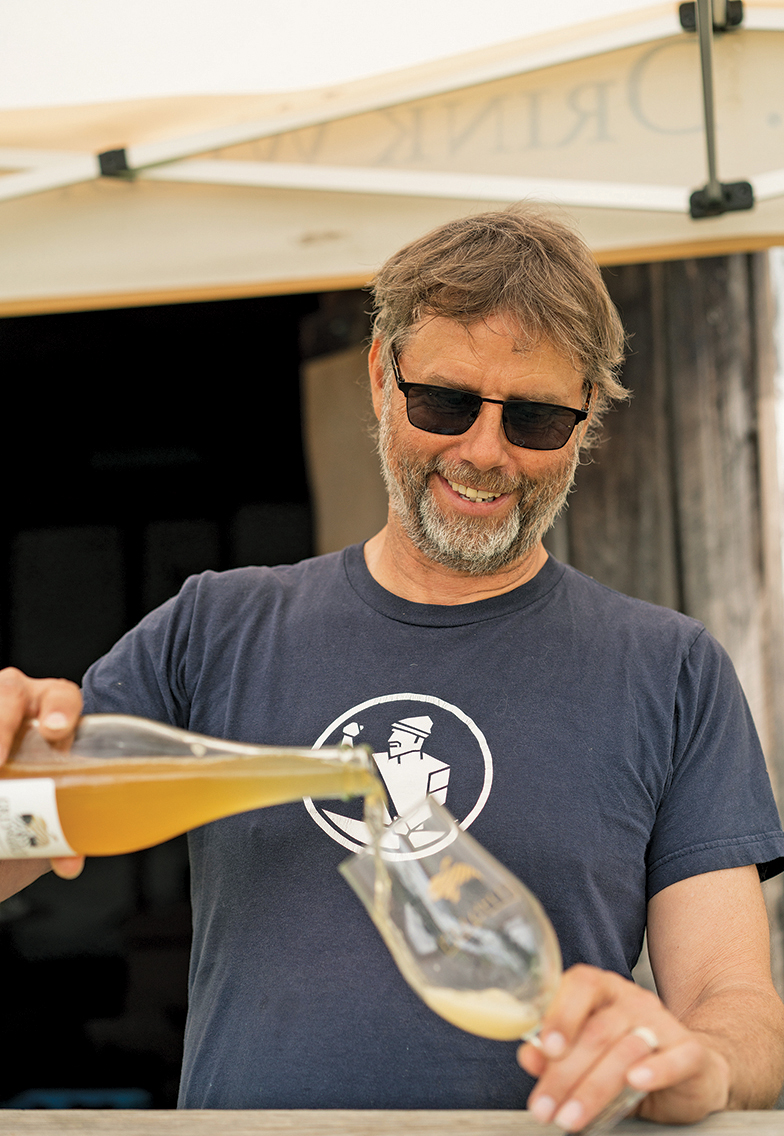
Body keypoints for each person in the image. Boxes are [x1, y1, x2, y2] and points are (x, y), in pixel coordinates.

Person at [1, 207, 783, 1129]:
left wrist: (699, 1061)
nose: (485, 453)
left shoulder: (670, 670)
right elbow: (24, 836)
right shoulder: (214, 627)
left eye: (534, 418)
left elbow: (736, 1004)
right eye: (445, 402)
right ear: (382, 378)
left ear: (585, 425)